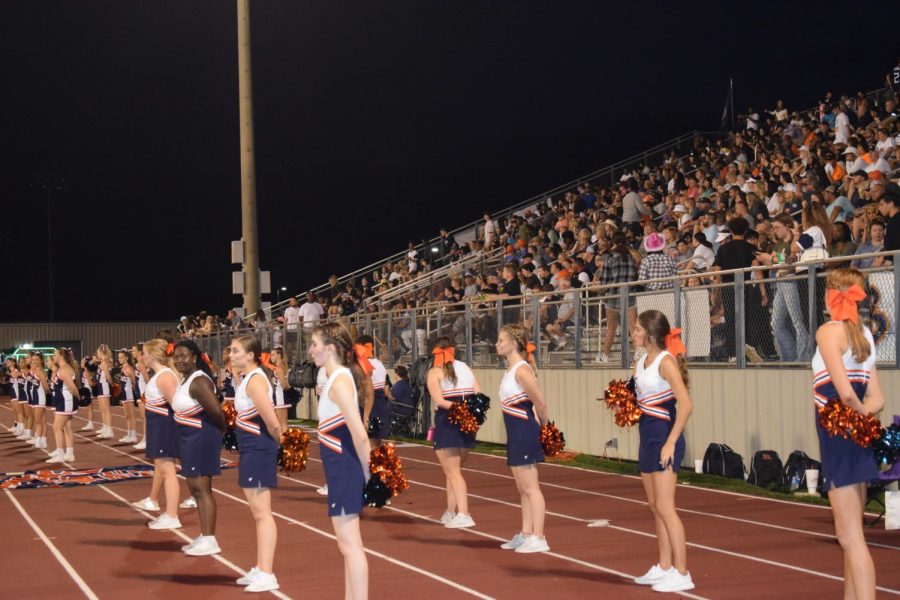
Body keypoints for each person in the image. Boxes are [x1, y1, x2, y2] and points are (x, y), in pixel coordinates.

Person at [811, 268, 883, 600]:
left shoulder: (828, 332)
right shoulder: (864, 335)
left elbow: (845, 392)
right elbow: (876, 398)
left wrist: (851, 417)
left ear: (834, 294)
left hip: (838, 433)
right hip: (854, 432)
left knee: (852, 537)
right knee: (847, 534)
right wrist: (862, 420)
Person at [631, 310, 694, 593]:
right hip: (647, 436)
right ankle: (664, 565)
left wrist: (671, 441)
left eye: (636, 330)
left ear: (650, 334)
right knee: (655, 507)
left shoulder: (666, 362)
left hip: (665, 436)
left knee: (667, 508)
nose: (633, 334)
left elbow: (686, 404)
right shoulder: (641, 361)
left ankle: (682, 572)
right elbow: (638, 398)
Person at [308, 322, 371, 600]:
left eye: (314, 344)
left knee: (351, 546)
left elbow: (359, 434)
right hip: (338, 468)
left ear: (330, 348)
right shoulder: (333, 378)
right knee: (346, 546)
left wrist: (371, 476)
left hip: (345, 468)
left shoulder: (341, 379)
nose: (311, 350)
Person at [230, 334, 282, 592]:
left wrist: (279, 445)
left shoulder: (255, 381)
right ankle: (261, 566)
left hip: (259, 448)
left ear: (251, 355)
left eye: (236, 350)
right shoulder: (248, 378)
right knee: (257, 513)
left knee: (263, 513)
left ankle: (268, 572)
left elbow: (271, 422)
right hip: (251, 448)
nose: (231, 354)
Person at [495, 324, 550, 553]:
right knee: (522, 487)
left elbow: (540, 403)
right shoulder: (511, 370)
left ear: (513, 343)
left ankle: (539, 537)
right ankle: (526, 533)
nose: (497, 344)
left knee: (531, 487)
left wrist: (545, 430)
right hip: (515, 431)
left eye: (500, 340)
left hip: (525, 429)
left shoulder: (521, 370)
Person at [172, 340, 227, 557]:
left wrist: (221, 433)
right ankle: (205, 536)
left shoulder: (199, 381)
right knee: (195, 489)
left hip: (200, 438)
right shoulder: (187, 379)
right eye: (176, 356)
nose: (179, 360)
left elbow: (216, 412)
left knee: (203, 490)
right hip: (190, 438)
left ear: (195, 357)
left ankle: (210, 539)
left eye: (183, 356)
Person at [428, 336, 481, 529]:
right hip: (467, 422)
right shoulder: (466, 368)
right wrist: (469, 413)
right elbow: (478, 393)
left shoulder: (435, 372)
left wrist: (458, 410)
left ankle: (464, 513)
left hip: (448, 422)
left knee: (453, 473)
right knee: (452, 472)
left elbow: (440, 401)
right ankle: (450, 511)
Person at [138, 339, 183, 530]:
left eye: (144, 353)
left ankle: (172, 515)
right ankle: (168, 512)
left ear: (154, 355)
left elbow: (177, 405)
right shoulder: (159, 375)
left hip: (164, 427)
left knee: (168, 471)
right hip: (158, 427)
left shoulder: (164, 376)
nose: (142, 357)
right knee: (164, 469)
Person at [598, 232, 638, 363]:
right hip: (629, 295)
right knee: (633, 326)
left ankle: (605, 356)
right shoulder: (630, 256)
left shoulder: (609, 257)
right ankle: (638, 354)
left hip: (613, 296)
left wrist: (602, 290)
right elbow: (634, 276)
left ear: (613, 243)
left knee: (611, 327)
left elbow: (604, 281)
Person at [45, 348, 81, 464]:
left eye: (55, 354)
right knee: (66, 427)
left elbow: (72, 387)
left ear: (61, 356)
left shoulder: (64, 369)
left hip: (66, 401)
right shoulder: (62, 368)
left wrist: (79, 399)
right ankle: (69, 454)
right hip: (64, 400)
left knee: (56, 427)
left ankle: (61, 454)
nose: (53, 356)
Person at [356, 334, 391, 448]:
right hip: (381, 404)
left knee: (367, 442)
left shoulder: (363, 364)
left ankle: (370, 464)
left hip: (369, 405)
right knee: (376, 441)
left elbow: (367, 391)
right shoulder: (379, 364)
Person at [92, 345, 115, 440]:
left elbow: (108, 376)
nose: (96, 353)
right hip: (101, 385)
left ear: (101, 352)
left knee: (106, 410)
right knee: (102, 409)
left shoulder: (105, 362)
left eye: (98, 351)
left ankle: (109, 430)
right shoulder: (104, 360)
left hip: (104, 385)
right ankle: (105, 428)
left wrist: (112, 385)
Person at [29, 353, 50, 450]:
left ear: (41, 361)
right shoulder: (35, 371)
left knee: (39, 421)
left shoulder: (40, 372)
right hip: (35, 398)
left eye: (36, 359)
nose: (34, 361)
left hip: (40, 398)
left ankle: (39, 441)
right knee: (41, 420)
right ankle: (42, 441)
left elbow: (46, 387)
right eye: (33, 359)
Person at [117, 349, 139, 444]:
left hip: (129, 393)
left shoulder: (129, 369)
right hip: (124, 394)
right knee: (127, 415)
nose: (120, 359)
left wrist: (135, 393)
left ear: (126, 357)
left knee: (131, 415)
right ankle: (129, 434)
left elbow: (134, 382)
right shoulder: (122, 368)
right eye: (119, 357)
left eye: (122, 357)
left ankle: (133, 435)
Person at [269, 346, 292, 431]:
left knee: (281, 423)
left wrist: (285, 386)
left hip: (280, 397)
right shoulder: (282, 366)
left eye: (273, 354)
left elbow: (284, 385)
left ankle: (283, 442)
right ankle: (284, 442)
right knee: (282, 422)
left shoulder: (279, 368)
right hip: (280, 396)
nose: (271, 357)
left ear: (279, 355)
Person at [131, 343, 149, 450]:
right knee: (143, 418)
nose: (132, 352)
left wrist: (146, 394)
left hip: (143, 393)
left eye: (133, 350)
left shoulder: (141, 361)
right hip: (141, 392)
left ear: (139, 351)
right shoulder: (139, 362)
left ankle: (146, 440)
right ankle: (145, 439)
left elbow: (146, 379)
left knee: (144, 418)